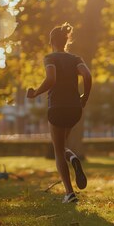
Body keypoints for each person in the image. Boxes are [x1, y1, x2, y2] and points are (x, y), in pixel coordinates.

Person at [27, 23, 92, 203]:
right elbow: (87, 75)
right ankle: (72, 158)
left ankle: (69, 193)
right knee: (63, 146)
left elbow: (51, 79)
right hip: (74, 109)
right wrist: (84, 98)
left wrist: (35, 93)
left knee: (58, 150)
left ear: (51, 42)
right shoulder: (75, 58)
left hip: (57, 107)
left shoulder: (50, 58)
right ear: (66, 40)